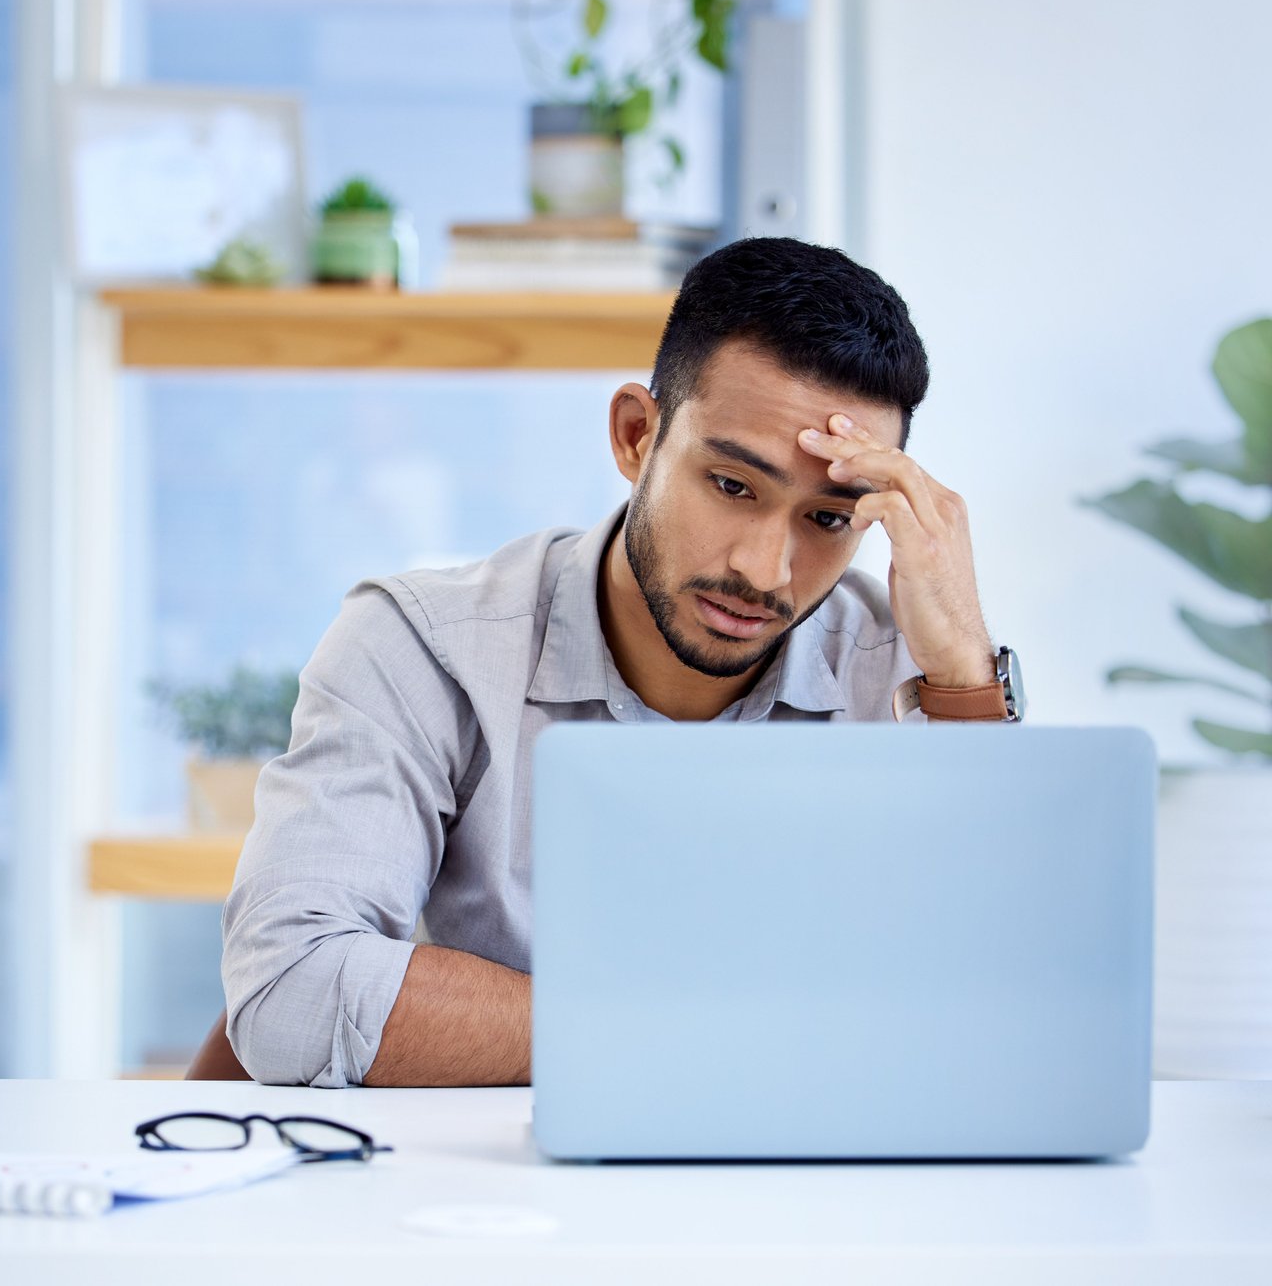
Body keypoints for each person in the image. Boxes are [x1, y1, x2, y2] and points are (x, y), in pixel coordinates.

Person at [221, 236, 1014, 1089]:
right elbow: (290, 988)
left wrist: (965, 674)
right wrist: (692, 1038)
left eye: (827, 520)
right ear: (638, 436)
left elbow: (1013, 1016)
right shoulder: (426, 643)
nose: (764, 570)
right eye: (733, 486)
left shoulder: (908, 670)